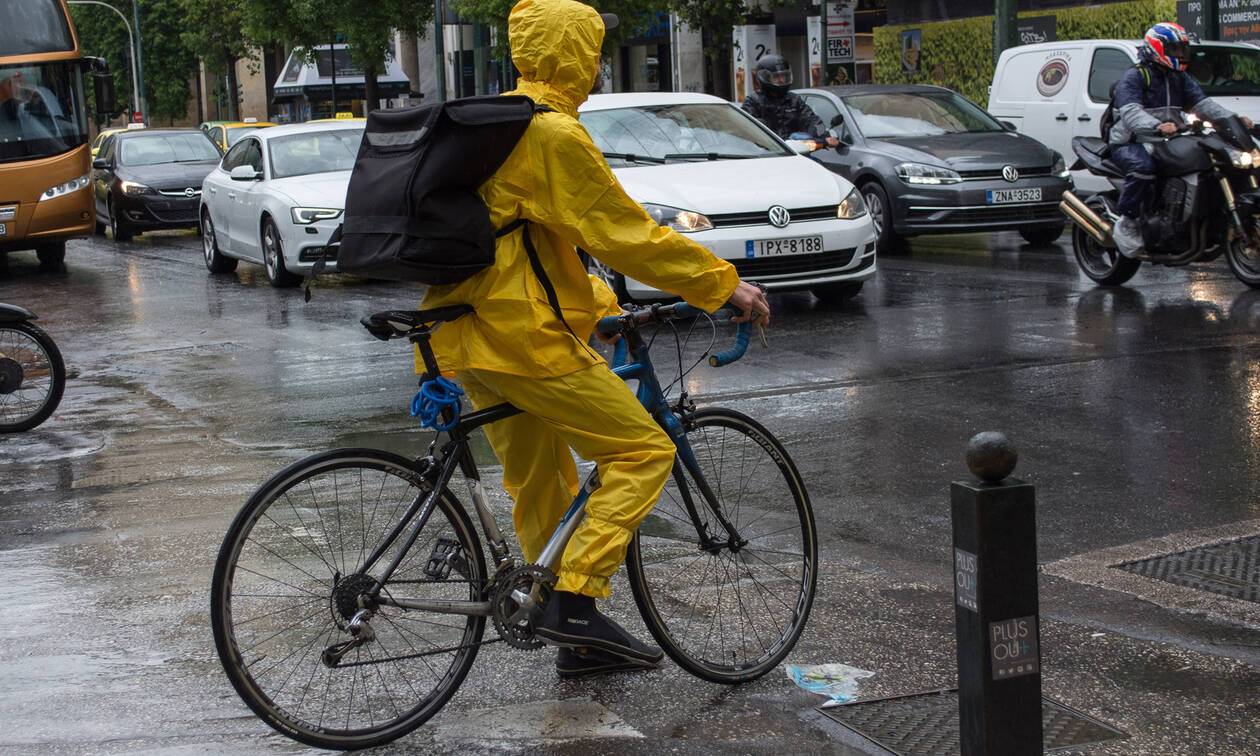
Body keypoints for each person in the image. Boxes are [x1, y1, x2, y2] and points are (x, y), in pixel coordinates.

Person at [417, 0, 770, 678]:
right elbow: (623, 232)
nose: (599, 65)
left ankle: (573, 640)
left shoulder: (499, 124)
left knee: (542, 485)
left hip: (465, 333)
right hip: (519, 339)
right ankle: (574, 604)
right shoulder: (550, 134)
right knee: (643, 449)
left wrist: (601, 305)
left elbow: (536, 249)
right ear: (573, 54)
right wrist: (723, 285)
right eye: (593, 48)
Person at [1109, 22, 1252, 258]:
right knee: (1144, 168)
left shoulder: (1179, 77)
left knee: (1205, 158)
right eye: (1174, 49)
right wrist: (1156, 125)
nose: (1179, 54)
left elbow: (1204, 105)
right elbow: (1132, 114)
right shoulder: (1135, 76)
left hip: (1166, 139)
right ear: (1158, 48)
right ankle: (1127, 221)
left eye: (1181, 50)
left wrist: (1233, 119)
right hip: (1131, 141)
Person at [741, 55, 839, 147]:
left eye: (783, 76)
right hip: (766, 153)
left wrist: (825, 136)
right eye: (776, 77)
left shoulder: (794, 100)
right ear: (764, 78)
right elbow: (746, 127)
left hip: (795, 150)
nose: (781, 80)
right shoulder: (753, 101)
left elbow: (811, 119)